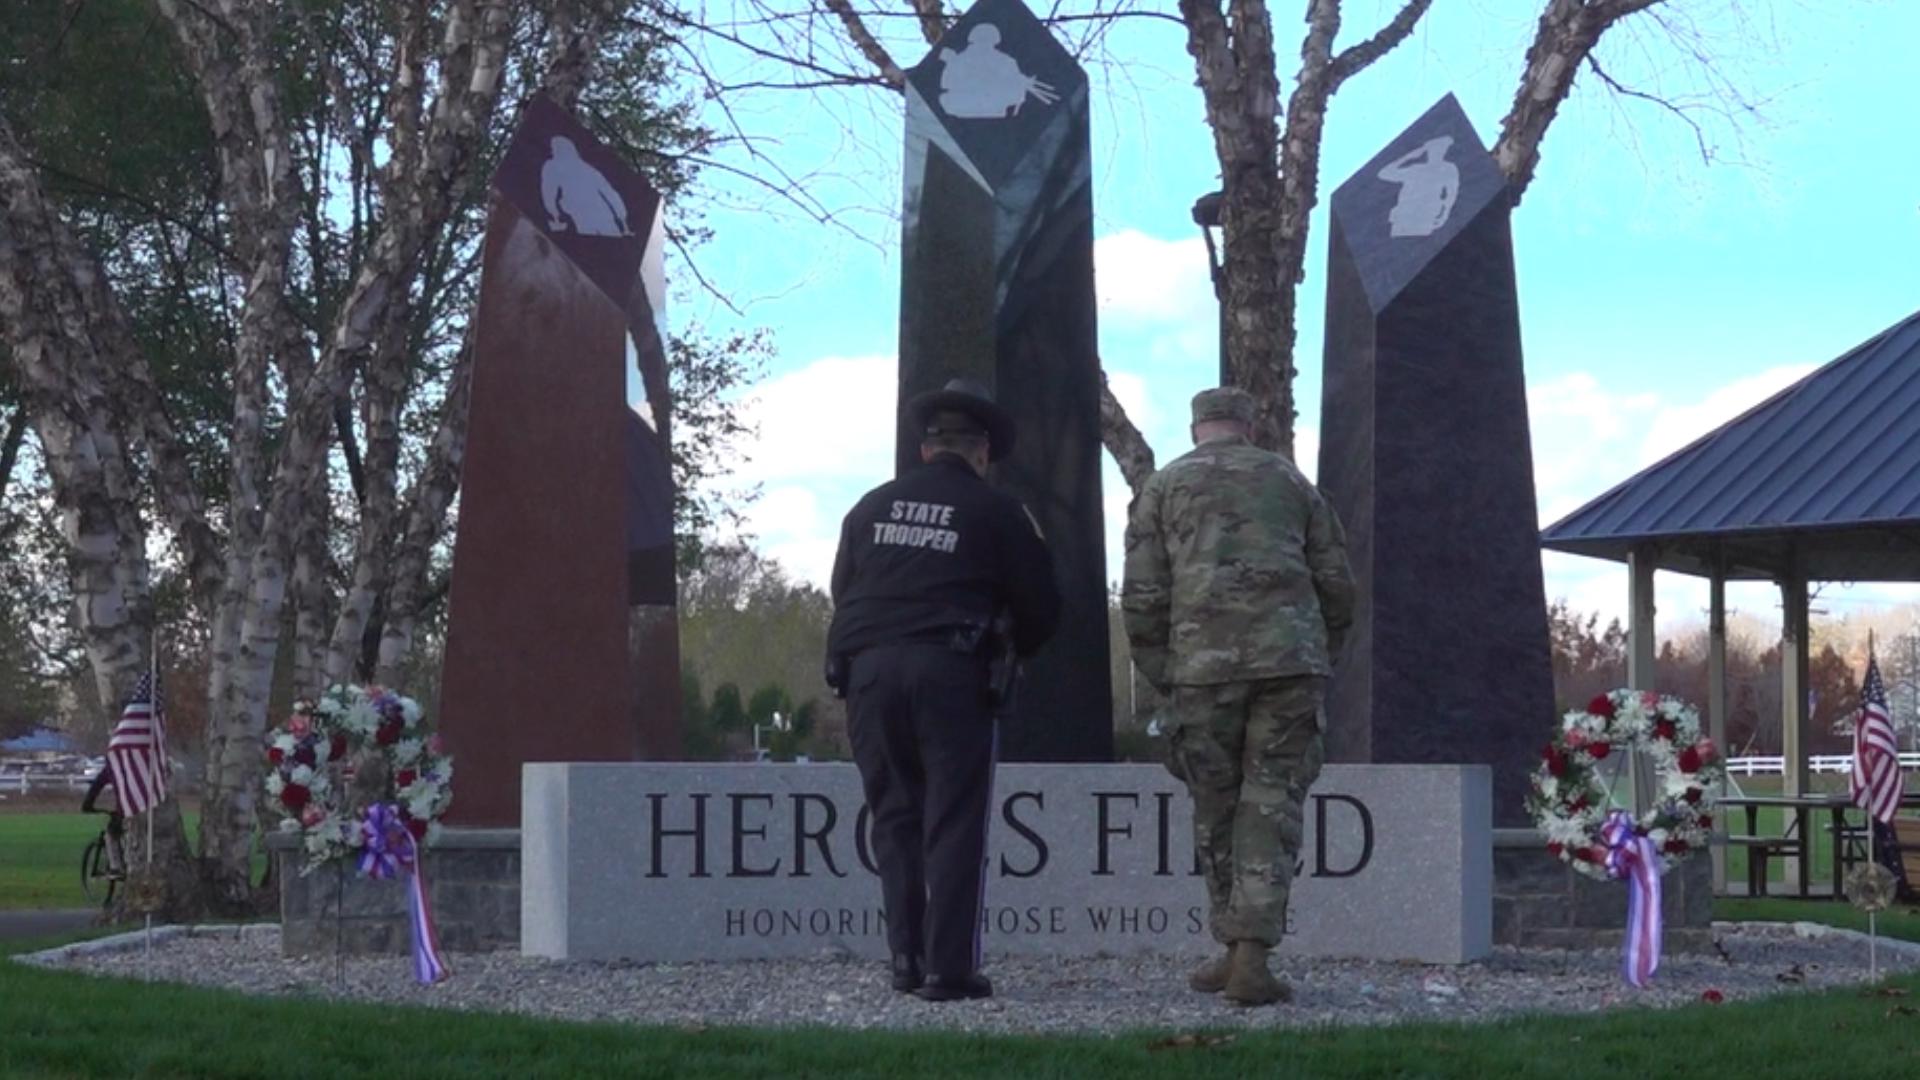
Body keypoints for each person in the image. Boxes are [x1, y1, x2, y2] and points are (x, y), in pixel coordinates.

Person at [826, 377, 1060, 1002]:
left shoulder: (870, 506)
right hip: (950, 671)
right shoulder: (998, 510)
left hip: (868, 672)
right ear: (981, 451)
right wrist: (1017, 649)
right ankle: (948, 970)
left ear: (927, 448)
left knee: (894, 817)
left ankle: (905, 958)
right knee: (953, 820)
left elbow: (842, 589)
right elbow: (1042, 604)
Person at [1121, 387, 1356, 1006]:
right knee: (1271, 801)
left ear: (1196, 426)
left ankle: (1240, 949)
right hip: (1288, 662)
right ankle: (1245, 953)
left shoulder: (1164, 488)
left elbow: (1143, 594)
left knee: (1215, 803)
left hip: (1200, 667)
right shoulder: (1292, 483)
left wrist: (1162, 671)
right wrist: (1318, 651)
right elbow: (1336, 582)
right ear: (1250, 425)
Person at [80, 763, 126, 878]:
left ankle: (116, 867)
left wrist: (87, 805)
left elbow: (96, 786)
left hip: (127, 809)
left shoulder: (113, 766)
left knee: (111, 833)